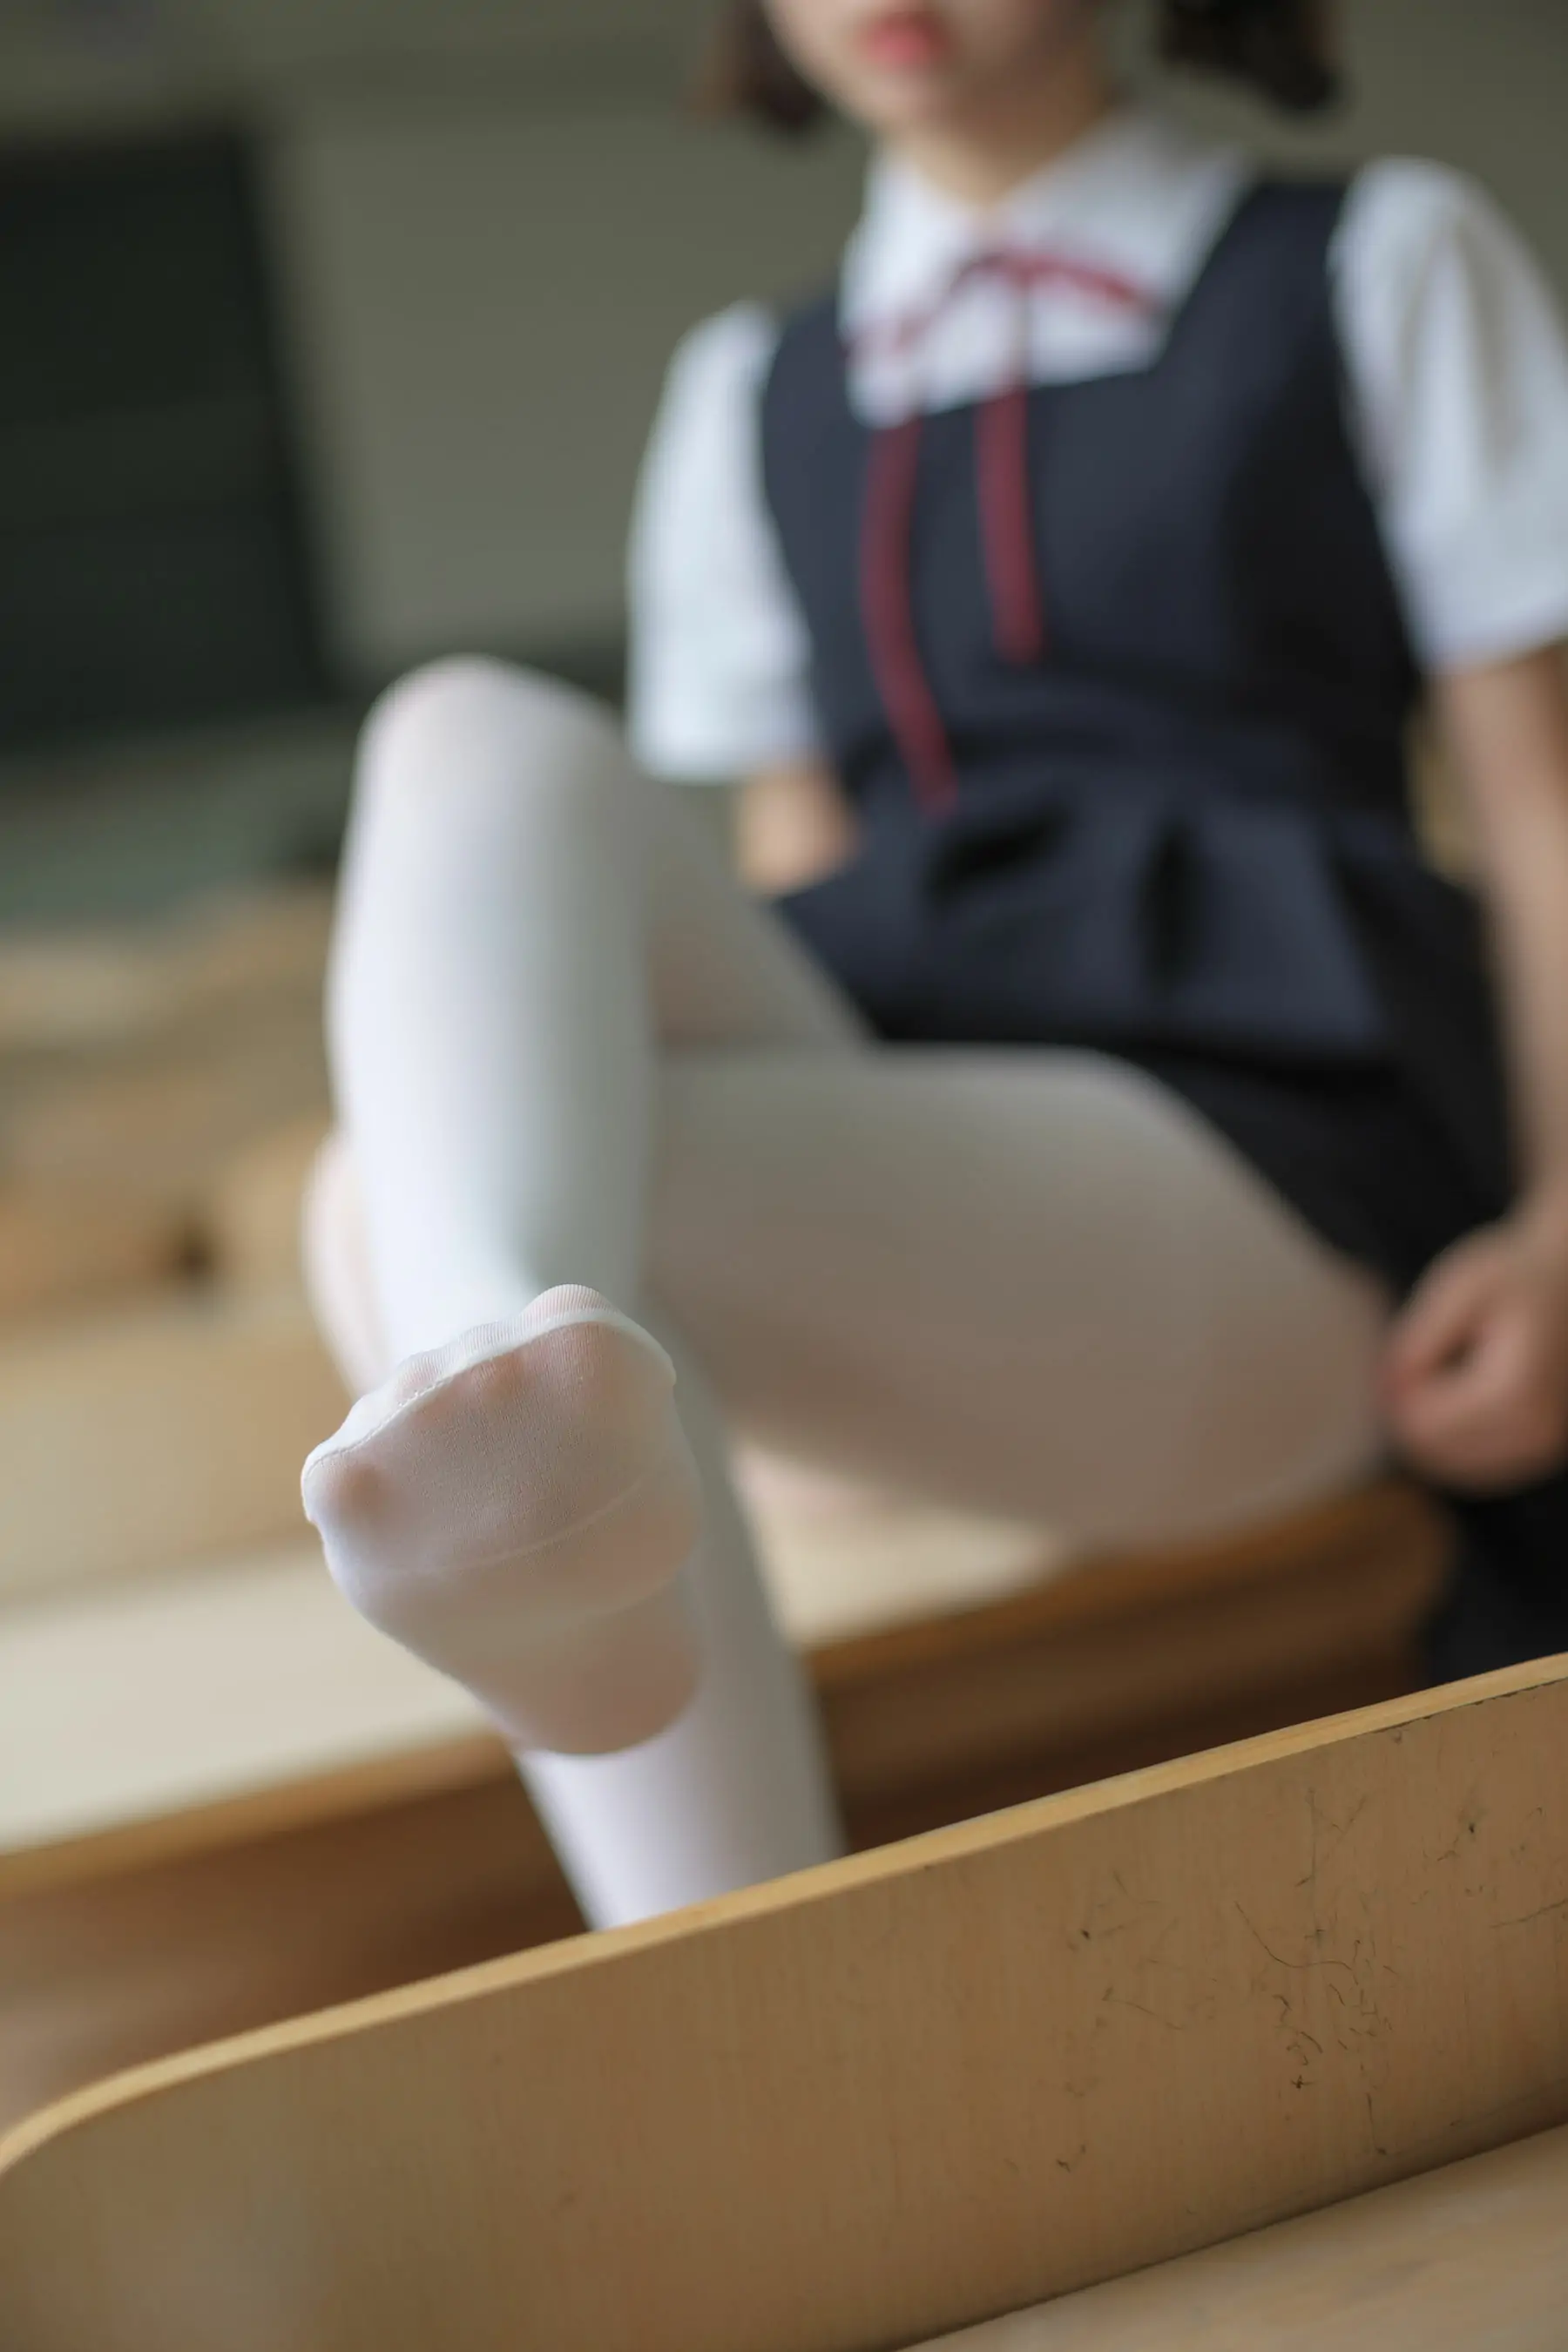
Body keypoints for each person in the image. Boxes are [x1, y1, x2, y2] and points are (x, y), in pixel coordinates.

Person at [301, 0, 1568, 1932]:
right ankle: (514, 1382)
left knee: (363, 1193)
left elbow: (1541, 805)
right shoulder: (753, 388)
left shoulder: (1375, 259)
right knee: (466, 729)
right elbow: (799, 889)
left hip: (1273, 1143)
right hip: (944, 1144)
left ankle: (713, 1927)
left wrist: (1566, 1223)